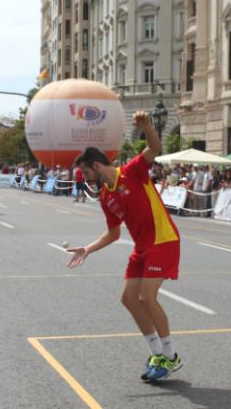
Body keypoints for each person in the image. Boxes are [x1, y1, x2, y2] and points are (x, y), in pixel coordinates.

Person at [67, 110, 182, 382]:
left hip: (163, 240)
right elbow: (113, 234)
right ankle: (156, 354)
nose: (85, 178)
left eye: (86, 172)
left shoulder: (132, 171)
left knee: (146, 297)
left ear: (96, 165)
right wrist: (87, 249)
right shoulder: (105, 196)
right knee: (128, 298)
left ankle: (171, 356)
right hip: (141, 247)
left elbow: (155, 148)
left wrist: (147, 126)